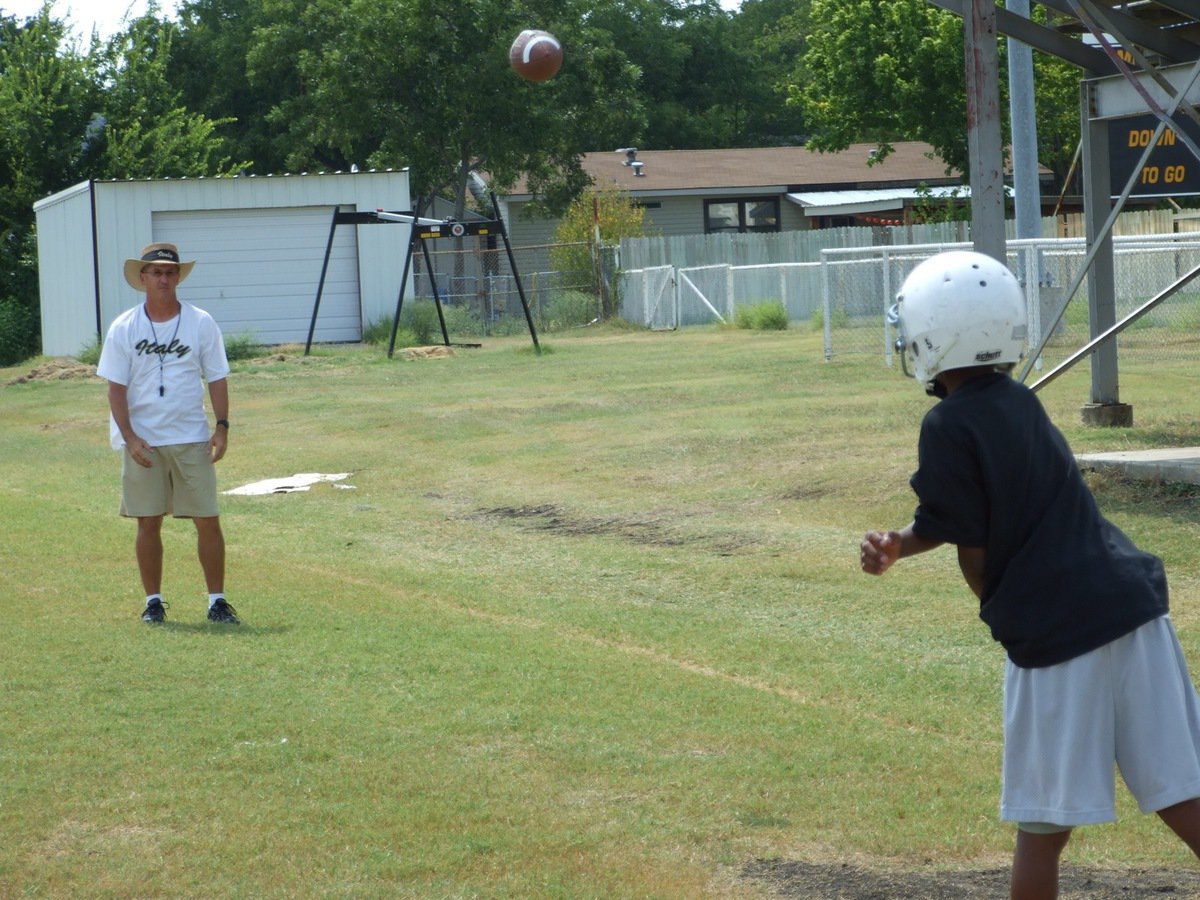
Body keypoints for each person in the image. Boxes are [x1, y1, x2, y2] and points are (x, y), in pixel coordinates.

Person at [859, 250, 1200, 900]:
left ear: (936, 331)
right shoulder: (1017, 400)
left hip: (1058, 636)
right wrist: (901, 544)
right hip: (1132, 606)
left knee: (1041, 827)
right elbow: (960, 513)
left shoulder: (946, 423)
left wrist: (1008, 616)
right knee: (1183, 789)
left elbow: (971, 541)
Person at [96, 242, 240, 625]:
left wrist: (221, 427)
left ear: (178, 277)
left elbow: (218, 376)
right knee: (148, 520)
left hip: (191, 436)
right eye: (156, 272)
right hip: (144, 439)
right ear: (142, 278)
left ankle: (217, 601)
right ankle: (154, 602)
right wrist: (129, 437)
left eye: (170, 272)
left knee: (207, 517)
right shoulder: (124, 326)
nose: (164, 278)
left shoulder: (200, 322)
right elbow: (115, 386)